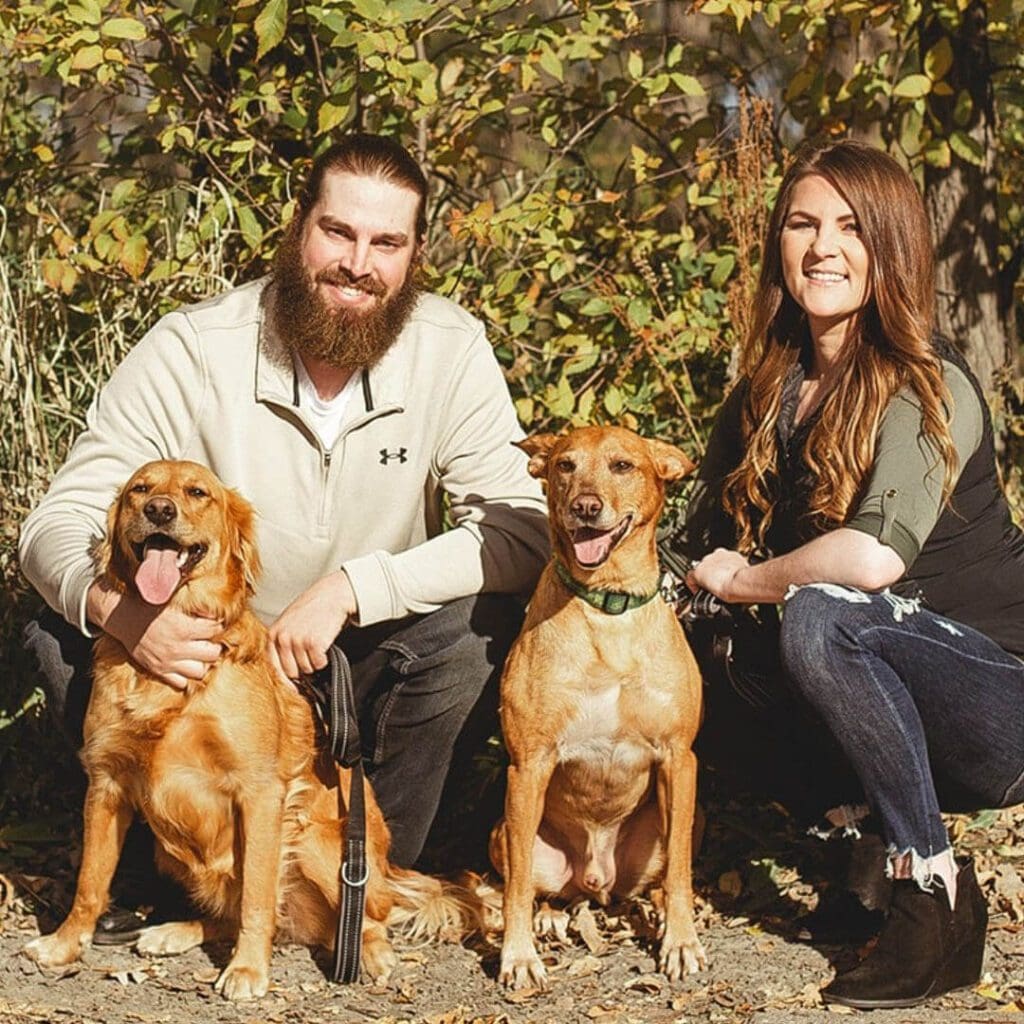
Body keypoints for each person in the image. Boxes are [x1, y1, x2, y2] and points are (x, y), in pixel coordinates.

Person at [19, 132, 549, 937]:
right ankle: (169, 877)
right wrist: (126, 617)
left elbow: (521, 528)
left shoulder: (449, 348)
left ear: (416, 255)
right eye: (338, 232)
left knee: (474, 631)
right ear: (299, 227)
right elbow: (54, 524)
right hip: (206, 651)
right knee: (59, 632)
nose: (357, 265)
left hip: (355, 656)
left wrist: (355, 589)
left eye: (386, 243)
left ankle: (355, 878)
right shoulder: (194, 346)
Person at [660, 139, 1024, 1009]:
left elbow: (871, 559)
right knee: (681, 646)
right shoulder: (771, 391)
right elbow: (689, 545)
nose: (823, 247)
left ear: (891, 245)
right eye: (803, 224)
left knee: (821, 613)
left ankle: (931, 889)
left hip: (998, 700)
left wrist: (742, 581)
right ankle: (863, 842)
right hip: (877, 678)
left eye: (851, 227)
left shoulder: (928, 383)